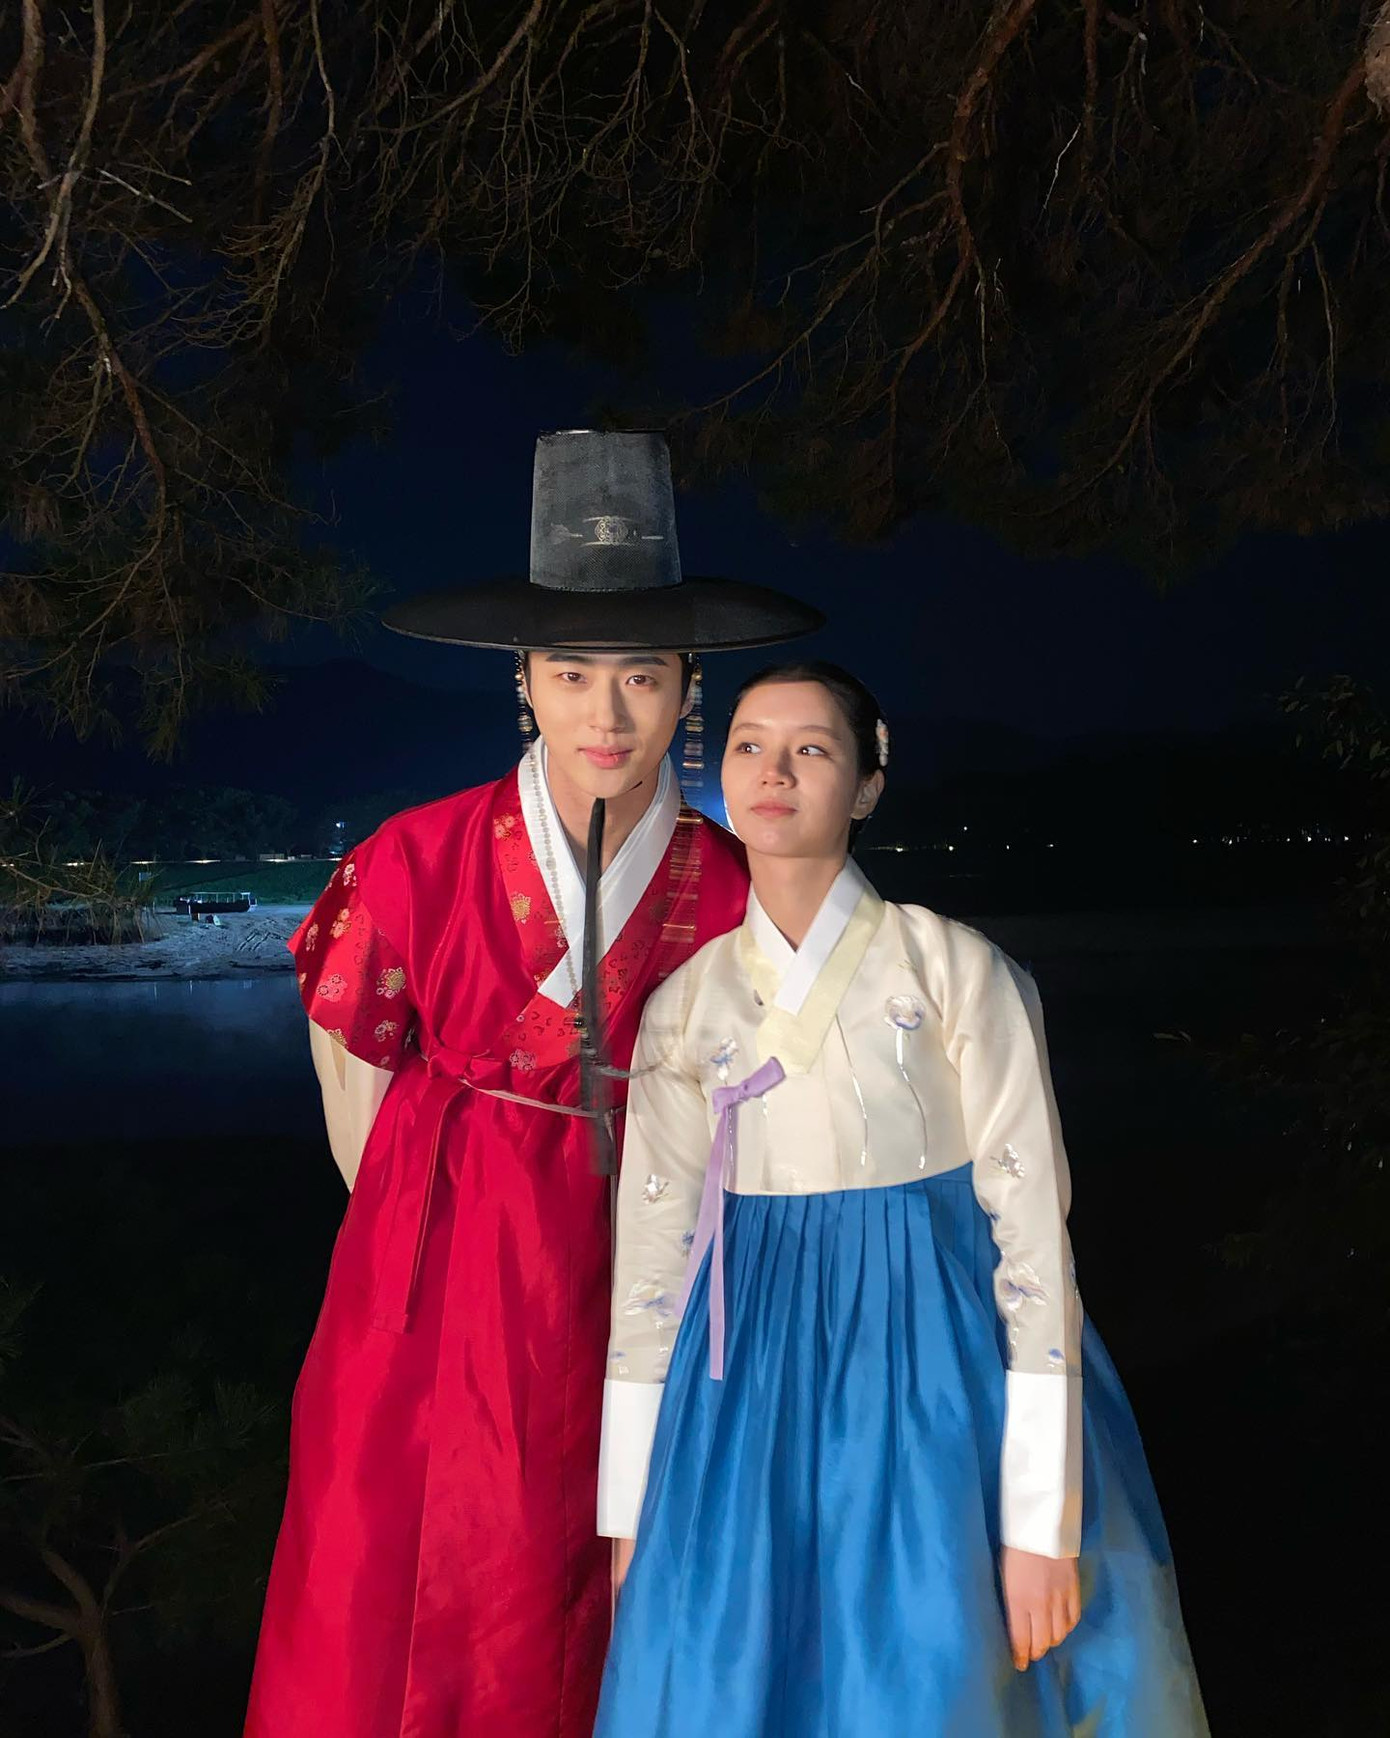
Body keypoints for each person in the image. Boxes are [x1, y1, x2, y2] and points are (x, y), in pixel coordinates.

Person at [243, 432, 822, 1738]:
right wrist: (449, 1207)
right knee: (390, 1579)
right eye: (570, 674)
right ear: (522, 681)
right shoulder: (412, 856)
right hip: (435, 1273)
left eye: (642, 676)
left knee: (629, 1593)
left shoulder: (742, 888)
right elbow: (354, 1089)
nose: (605, 716)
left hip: (659, 1281)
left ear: (690, 687)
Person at [596, 661, 1209, 1737]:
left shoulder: (956, 970)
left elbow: (1031, 1236)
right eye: (748, 745)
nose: (774, 772)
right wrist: (632, 1508)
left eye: (811, 749)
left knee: (929, 1676)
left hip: (937, 1375)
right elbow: (653, 1264)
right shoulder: (685, 1007)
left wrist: (1038, 1520)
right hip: (748, 1389)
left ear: (868, 783)